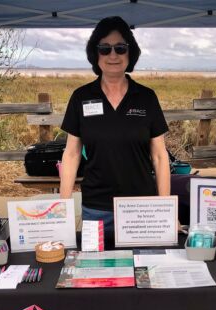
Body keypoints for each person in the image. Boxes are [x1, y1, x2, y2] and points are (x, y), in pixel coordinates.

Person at [59, 16, 170, 233]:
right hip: (96, 209)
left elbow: (159, 156)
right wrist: (62, 208)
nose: (113, 55)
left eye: (120, 48)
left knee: (144, 258)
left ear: (130, 52)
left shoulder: (146, 97)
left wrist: (166, 209)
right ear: (95, 53)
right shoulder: (81, 97)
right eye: (105, 48)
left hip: (142, 209)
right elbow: (71, 155)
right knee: (94, 258)